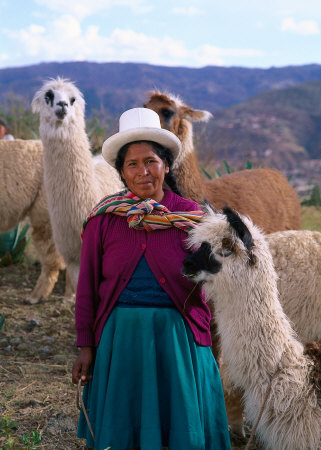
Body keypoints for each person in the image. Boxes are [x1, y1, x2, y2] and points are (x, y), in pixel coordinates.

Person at [72, 108, 231, 450]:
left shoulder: (194, 219)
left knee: (181, 432)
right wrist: (85, 346)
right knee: (124, 433)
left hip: (177, 342)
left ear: (167, 166)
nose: (143, 171)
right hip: (120, 341)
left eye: (151, 161)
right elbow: (87, 289)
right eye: (132, 164)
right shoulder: (104, 220)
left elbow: (220, 284)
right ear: (122, 173)